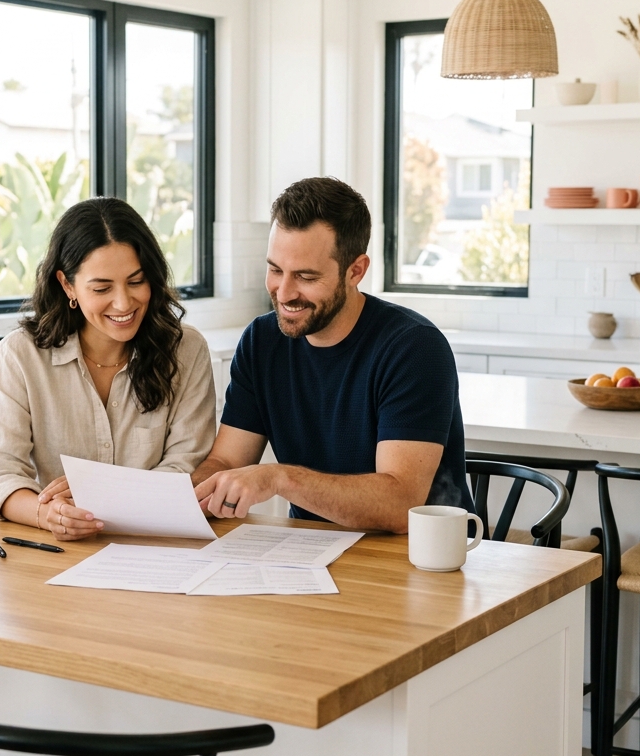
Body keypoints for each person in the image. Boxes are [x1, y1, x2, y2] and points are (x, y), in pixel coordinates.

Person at [192, 176, 473, 532]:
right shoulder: (262, 341)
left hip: (421, 556)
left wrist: (279, 478)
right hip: (312, 550)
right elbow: (227, 459)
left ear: (356, 271)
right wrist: (180, 500)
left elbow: (401, 503)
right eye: (275, 270)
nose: (285, 292)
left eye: (306, 277)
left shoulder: (414, 348)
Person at [0, 198, 216, 539]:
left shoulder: (186, 350)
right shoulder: (21, 355)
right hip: (61, 551)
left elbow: (186, 467)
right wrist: (48, 514)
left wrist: (100, 493)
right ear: (68, 285)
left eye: (136, 282)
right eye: (102, 288)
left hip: (157, 545)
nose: (123, 303)